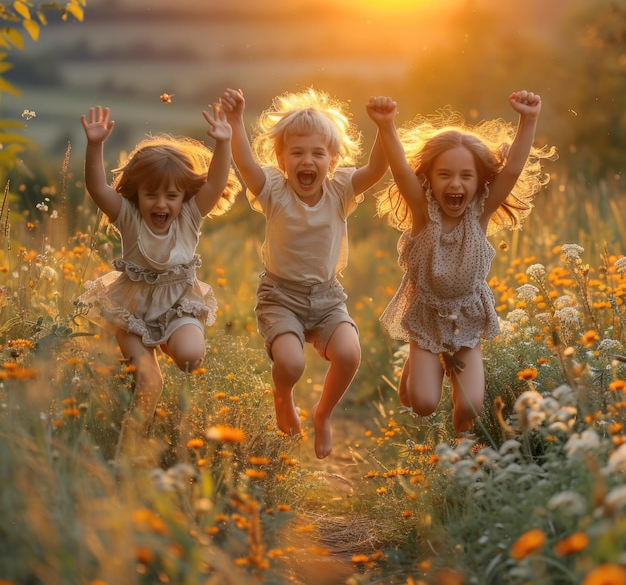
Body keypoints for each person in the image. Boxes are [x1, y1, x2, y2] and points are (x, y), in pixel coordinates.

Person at [367, 92, 556, 436]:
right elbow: (399, 168)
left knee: (470, 406)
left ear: (479, 181)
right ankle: (415, 363)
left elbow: (512, 169)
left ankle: (461, 449)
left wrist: (528, 120)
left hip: (468, 316)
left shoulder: (480, 214)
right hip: (426, 316)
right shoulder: (423, 214)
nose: (455, 184)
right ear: (429, 180)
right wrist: (386, 125)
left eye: (465, 176)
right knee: (422, 404)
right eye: (444, 175)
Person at [220, 87, 388, 458]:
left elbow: (378, 168)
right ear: (281, 159)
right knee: (291, 363)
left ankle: (323, 413)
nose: (307, 160)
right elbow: (246, 163)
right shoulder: (274, 191)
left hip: (328, 298)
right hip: (280, 297)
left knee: (349, 354)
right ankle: (283, 395)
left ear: (333, 159)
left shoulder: (341, 189)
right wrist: (234, 121)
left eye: (317, 153)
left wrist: (383, 127)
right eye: (297, 153)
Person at [78, 103, 241, 451]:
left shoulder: (190, 217)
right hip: (132, 309)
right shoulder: (128, 216)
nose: (161, 204)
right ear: (136, 193)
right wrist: (95, 145)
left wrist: (224, 143)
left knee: (190, 356)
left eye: (172, 195)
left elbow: (213, 183)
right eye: (151, 194)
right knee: (149, 381)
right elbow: (97, 189)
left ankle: (168, 340)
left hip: (179, 304)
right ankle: (132, 446)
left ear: (184, 196)